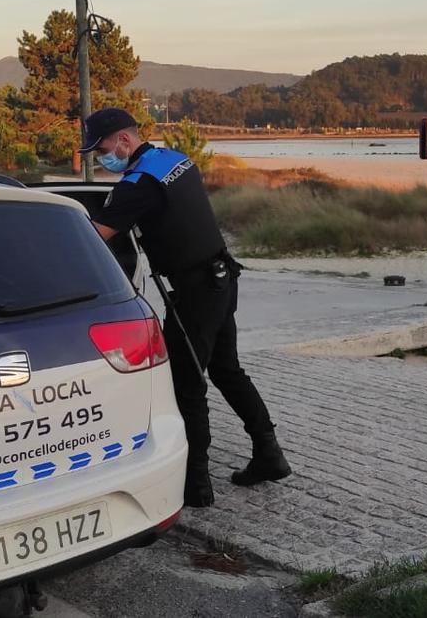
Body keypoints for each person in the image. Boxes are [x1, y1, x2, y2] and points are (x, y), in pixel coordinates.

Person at [80, 108, 291, 508]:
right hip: (222, 279)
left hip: (195, 292)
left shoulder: (137, 184)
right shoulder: (174, 160)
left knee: (187, 384)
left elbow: (94, 238)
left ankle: (195, 484)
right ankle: (269, 454)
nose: (100, 158)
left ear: (124, 141)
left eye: (102, 149)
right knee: (227, 369)